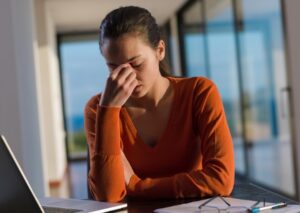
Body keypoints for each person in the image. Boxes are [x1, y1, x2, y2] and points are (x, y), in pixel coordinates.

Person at [84, 6, 235, 202]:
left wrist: (137, 186)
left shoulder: (199, 92)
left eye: (136, 64)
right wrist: (109, 110)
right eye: (113, 67)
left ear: (160, 51)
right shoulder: (98, 109)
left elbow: (221, 180)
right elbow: (108, 194)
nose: (126, 77)